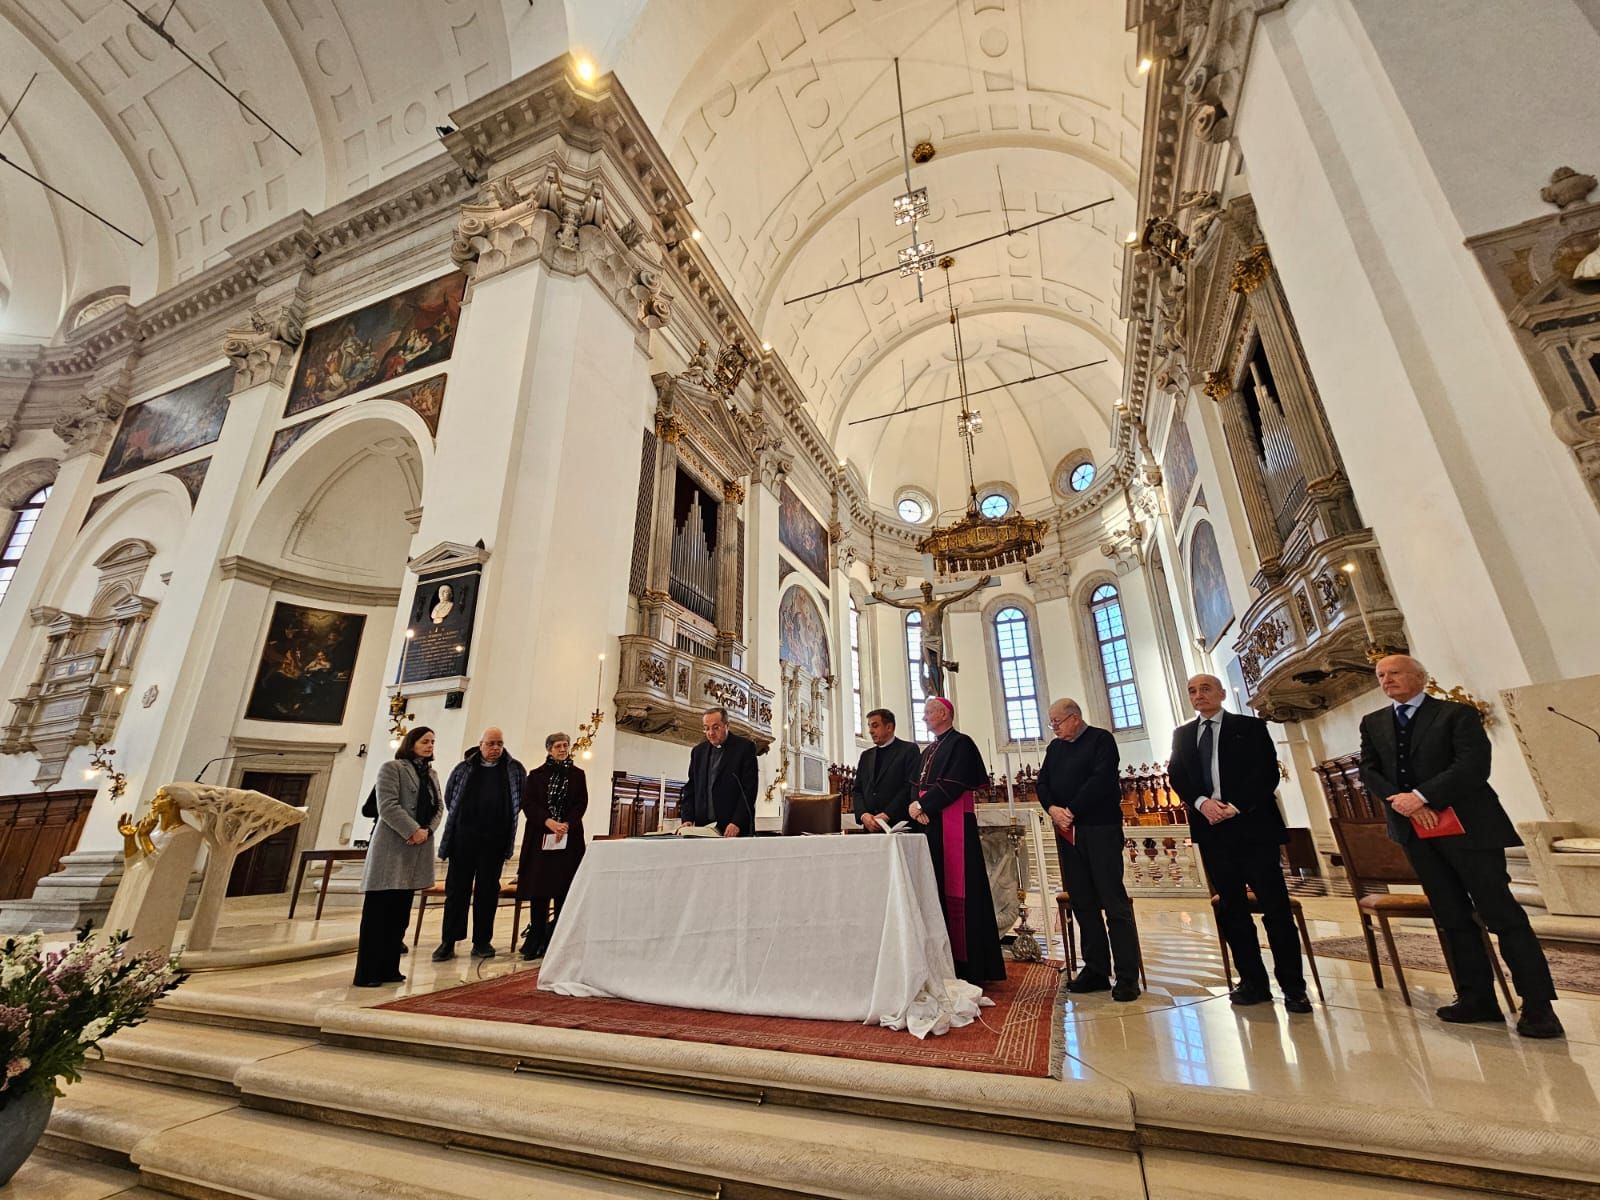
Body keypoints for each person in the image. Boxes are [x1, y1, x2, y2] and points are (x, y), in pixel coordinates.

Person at [1358, 654, 1562, 1038]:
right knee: (1450, 916)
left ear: (1419, 677)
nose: (1387, 680)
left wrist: (1421, 796)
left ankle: (1538, 1005)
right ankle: (1476, 997)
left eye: (1395, 673)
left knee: (1501, 914)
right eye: (1381, 676)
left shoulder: (1456, 715)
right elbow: (1369, 770)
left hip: (1470, 828)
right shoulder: (1374, 723)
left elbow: (1472, 766)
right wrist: (1401, 802)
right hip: (1415, 831)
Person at [1167, 674, 1311, 1014]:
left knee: (1275, 910)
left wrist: (1235, 806)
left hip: (1253, 826)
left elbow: (1266, 774)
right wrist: (1202, 803)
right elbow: (1178, 775)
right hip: (1212, 830)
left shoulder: (1250, 727)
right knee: (1232, 909)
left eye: (1204, 689)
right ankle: (1252, 981)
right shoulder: (1183, 735)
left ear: (1219, 694)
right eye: (1191, 691)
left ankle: (1293, 987)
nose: (1198, 695)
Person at [1036, 698, 1140, 1001]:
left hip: (1100, 830)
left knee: (1113, 902)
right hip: (1069, 834)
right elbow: (1043, 784)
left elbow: (1101, 780)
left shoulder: (1101, 740)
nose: (1053, 727)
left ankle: (1126, 976)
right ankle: (1095, 970)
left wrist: (1071, 810)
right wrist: (1053, 809)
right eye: (1051, 722)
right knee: (1083, 903)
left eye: (1057, 721)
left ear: (1075, 717)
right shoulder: (1055, 749)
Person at [910, 697, 1006, 985]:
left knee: (963, 891)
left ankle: (970, 964)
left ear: (943, 714)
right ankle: (941, 959)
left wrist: (924, 806)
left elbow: (954, 784)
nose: (925, 717)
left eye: (928, 712)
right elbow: (915, 785)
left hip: (954, 827)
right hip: (930, 827)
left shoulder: (961, 744)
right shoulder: (928, 750)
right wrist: (915, 806)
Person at [353, 727, 441, 987]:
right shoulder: (391, 768)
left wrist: (427, 830)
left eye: (433, 742)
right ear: (411, 743)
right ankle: (368, 973)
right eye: (425, 741)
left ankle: (390, 968)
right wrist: (412, 830)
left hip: (417, 848)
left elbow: (439, 807)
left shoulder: (431, 774)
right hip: (392, 848)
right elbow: (387, 806)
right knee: (378, 915)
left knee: (399, 916)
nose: (430, 746)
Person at [432, 727, 524, 962]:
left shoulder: (513, 769)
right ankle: (448, 941)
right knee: (457, 891)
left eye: (500, 744)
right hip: (464, 839)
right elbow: (451, 796)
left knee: (487, 891)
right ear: (480, 744)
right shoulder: (464, 768)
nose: (496, 748)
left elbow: (519, 798)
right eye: (491, 743)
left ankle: (482, 941)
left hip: (494, 840)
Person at [516, 732, 589, 960]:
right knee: (540, 890)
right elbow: (529, 804)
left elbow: (581, 803)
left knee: (563, 889)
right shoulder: (536, 775)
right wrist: (549, 822)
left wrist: (566, 824)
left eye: (565, 745)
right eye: (558, 746)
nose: (562, 749)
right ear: (549, 749)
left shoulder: (577, 775)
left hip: (568, 839)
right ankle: (536, 935)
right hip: (541, 837)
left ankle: (556, 937)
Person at [681, 707, 757, 836]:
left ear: (726, 725)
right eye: (706, 728)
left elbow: (749, 790)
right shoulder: (698, 752)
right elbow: (691, 787)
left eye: (716, 727)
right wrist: (687, 818)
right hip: (703, 828)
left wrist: (737, 822)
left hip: (732, 827)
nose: (710, 733)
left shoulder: (744, 748)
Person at [854, 708, 920, 831]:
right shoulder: (866, 756)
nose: (870, 731)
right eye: (869, 727)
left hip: (898, 824)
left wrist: (887, 814)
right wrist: (864, 815)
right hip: (870, 826)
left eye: (875, 726)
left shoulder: (908, 750)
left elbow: (909, 787)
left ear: (889, 727)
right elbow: (857, 790)